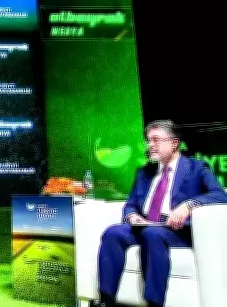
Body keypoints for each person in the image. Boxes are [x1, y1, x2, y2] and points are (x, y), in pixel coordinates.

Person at [96, 120, 227, 307]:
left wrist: (188, 205)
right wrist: (132, 216)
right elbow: (130, 205)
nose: (150, 145)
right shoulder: (144, 172)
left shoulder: (197, 168)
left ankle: (154, 302)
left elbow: (220, 195)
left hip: (175, 230)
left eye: (156, 140)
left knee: (153, 234)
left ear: (174, 143)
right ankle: (106, 300)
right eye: (148, 141)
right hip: (145, 225)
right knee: (113, 232)